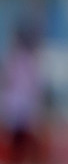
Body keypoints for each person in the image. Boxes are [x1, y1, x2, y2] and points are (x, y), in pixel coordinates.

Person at [1, 28, 43, 164]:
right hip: (20, 106)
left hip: (19, 106)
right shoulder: (26, 61)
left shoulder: (19, 60)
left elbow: (9, 81)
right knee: (19, 141)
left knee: (18, 141)